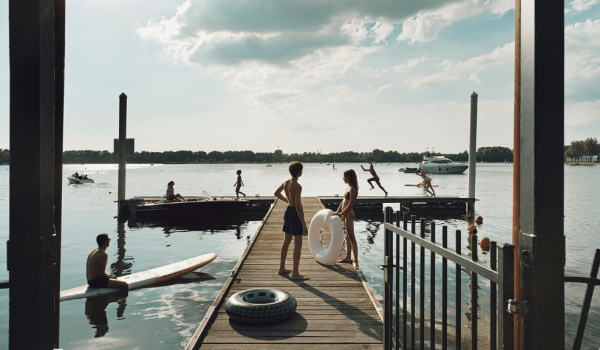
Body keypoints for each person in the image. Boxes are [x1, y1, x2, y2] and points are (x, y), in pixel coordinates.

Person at [274, 161, 310, 280]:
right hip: (295, 213)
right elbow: (299, 207)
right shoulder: (297, 186)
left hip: (288, 211)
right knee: (298, 243)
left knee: (286, 241)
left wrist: (288, 201)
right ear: (299, 172)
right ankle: (295, 273)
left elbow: (276, 193)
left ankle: (282, 268)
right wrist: (304, 225)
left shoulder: (286, 182)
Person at [333, 169, 359, 271]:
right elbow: (343, 202)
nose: (343, 179)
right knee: (347, 236)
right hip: (344, 214)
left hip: (349, 214)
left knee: (352, 237)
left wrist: (341, 213)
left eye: (345, 177)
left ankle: (356, 261)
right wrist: (337, 211)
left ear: (349, 177)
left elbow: (350, 205)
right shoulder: (348, 188)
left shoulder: (353, 189)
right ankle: (348, 257)